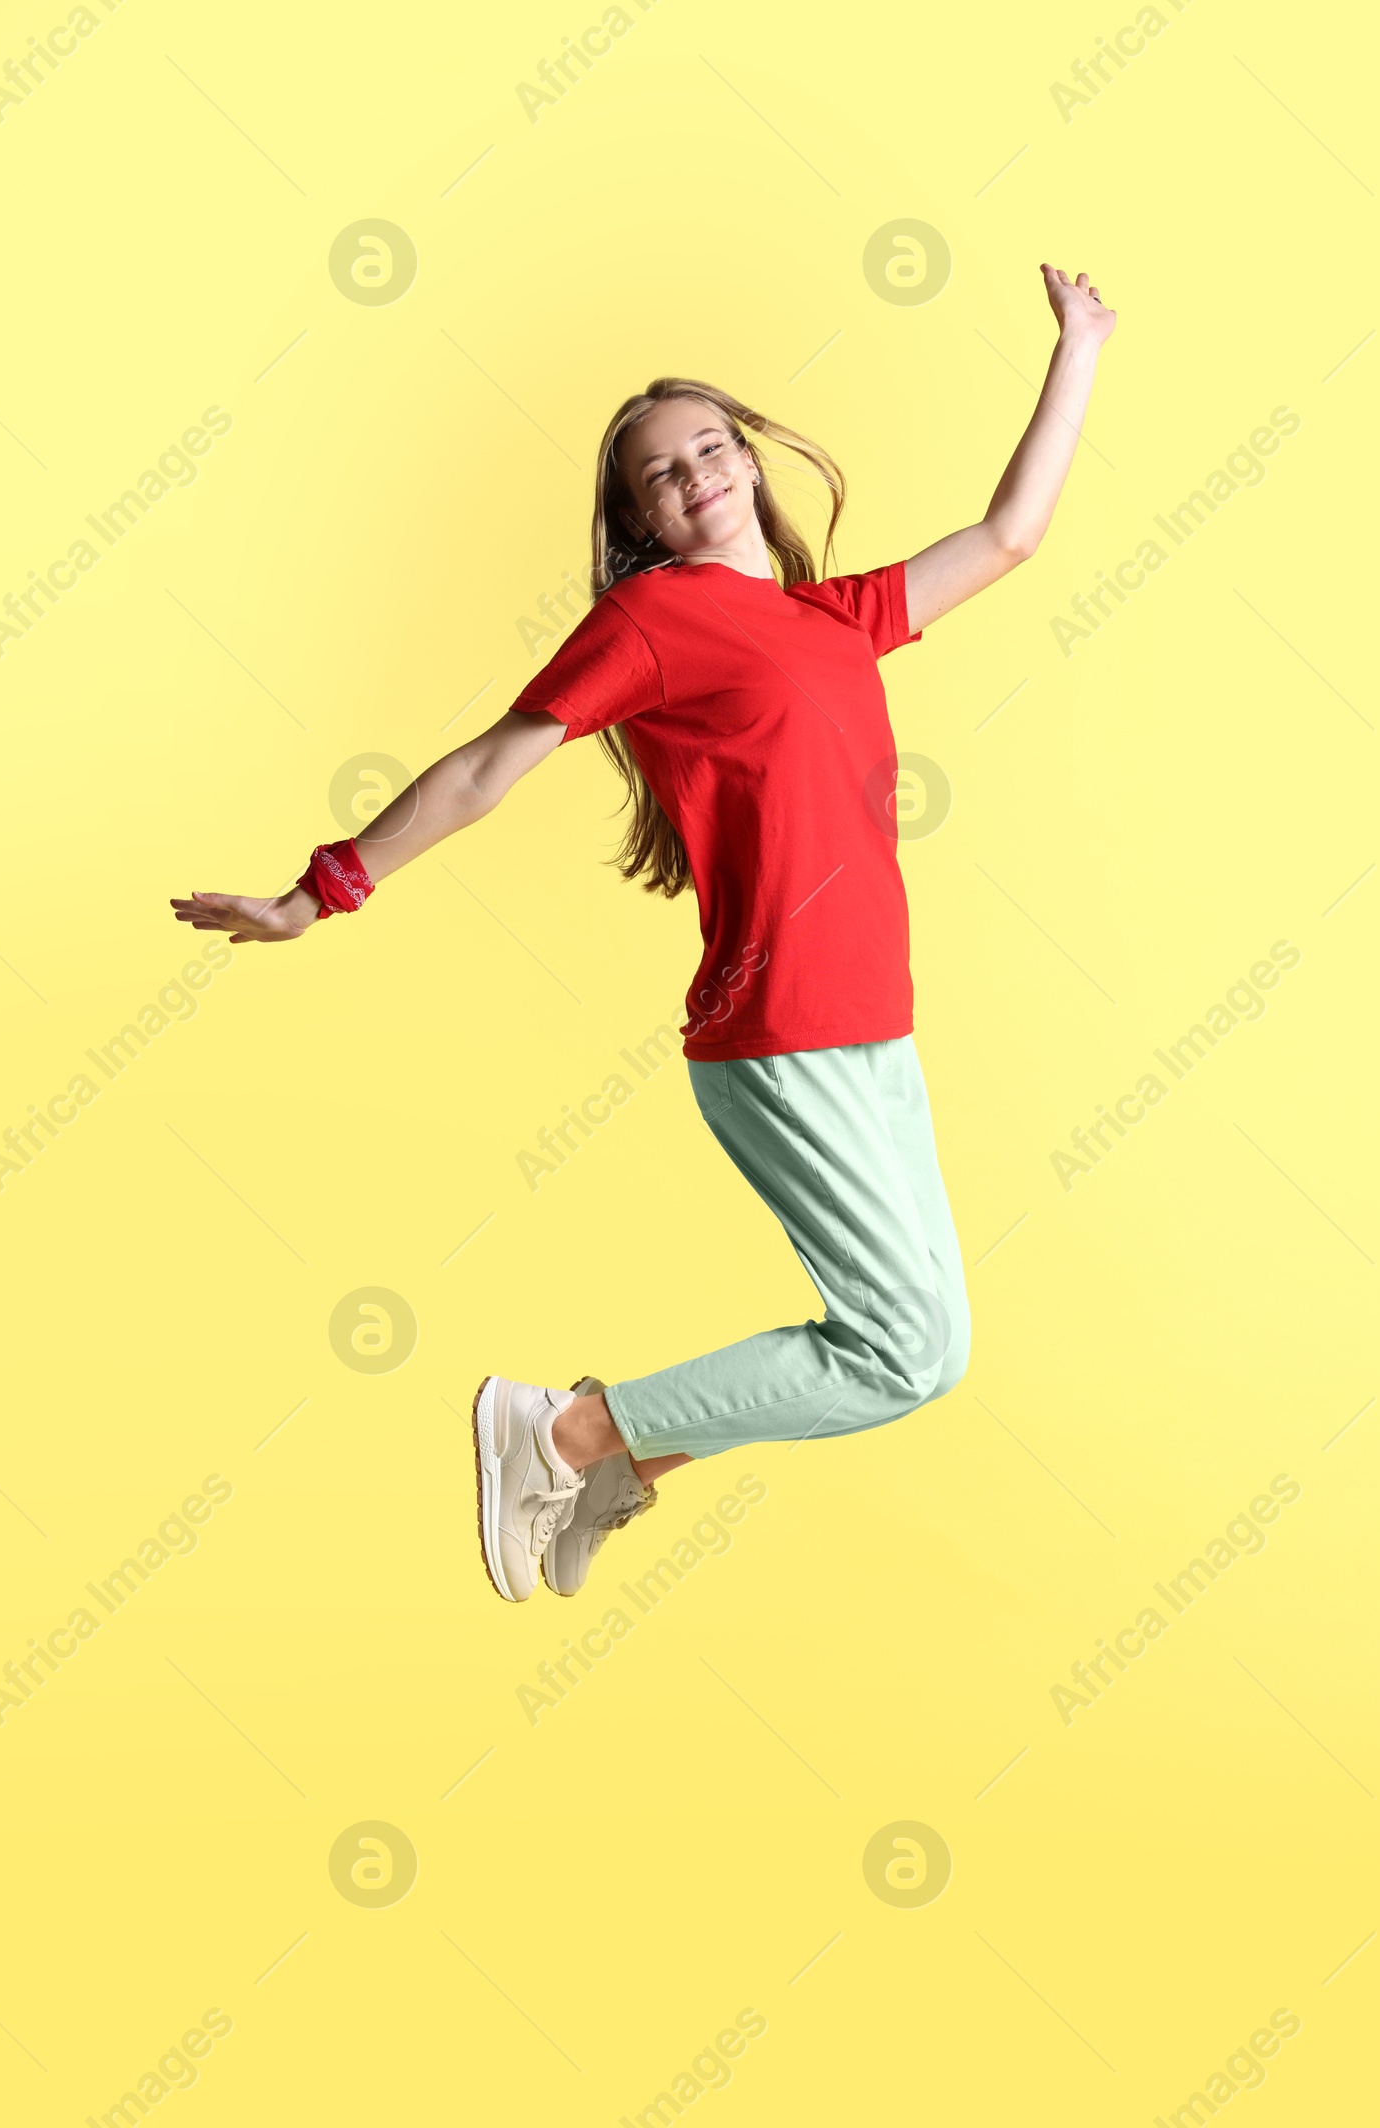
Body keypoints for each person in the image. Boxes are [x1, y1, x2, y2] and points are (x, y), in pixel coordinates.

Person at [173, 263, 1117, 1604]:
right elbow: (485, 768)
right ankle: (564, 1432)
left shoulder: (828, 618)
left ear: (750, 462)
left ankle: (615, 1465)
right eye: (658, 473)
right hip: (784, 1028)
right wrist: (317, 891)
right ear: (636, 517)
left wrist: (1081, 344)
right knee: (909, 1349)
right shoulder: (653, 621)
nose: (694, 477)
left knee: (926, 1348)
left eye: (709, 449)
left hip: (875, 1031)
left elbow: (1012, 534)